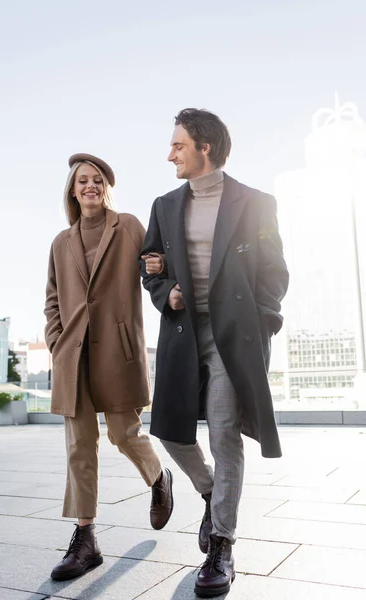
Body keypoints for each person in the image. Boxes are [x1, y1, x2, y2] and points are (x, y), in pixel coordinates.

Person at [140, 109, 289, 597]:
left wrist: (263, 321)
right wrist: (167, 294)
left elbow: (274, 272)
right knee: (169, 430)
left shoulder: (255, 203)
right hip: (183, 334)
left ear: (204, 147)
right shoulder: (164, 205)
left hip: (232, 336)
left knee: (225, 432)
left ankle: (221, 544)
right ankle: (209, 492)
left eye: (178, 145)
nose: (170, 154)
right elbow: (150, 268)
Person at [44, 153, 173, 581]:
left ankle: (158, 478)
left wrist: (158, 266)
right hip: (72, 356)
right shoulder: (61, 242)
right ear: (72, 190)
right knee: (80, 446)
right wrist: (56, 342)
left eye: (97, 180)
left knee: (123, 433)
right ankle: (86, 541)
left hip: (116, 351)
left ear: (106, 187)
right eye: (82, 180)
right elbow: (52, 299)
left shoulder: (130, 226)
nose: (90, 186)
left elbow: (154, 267)